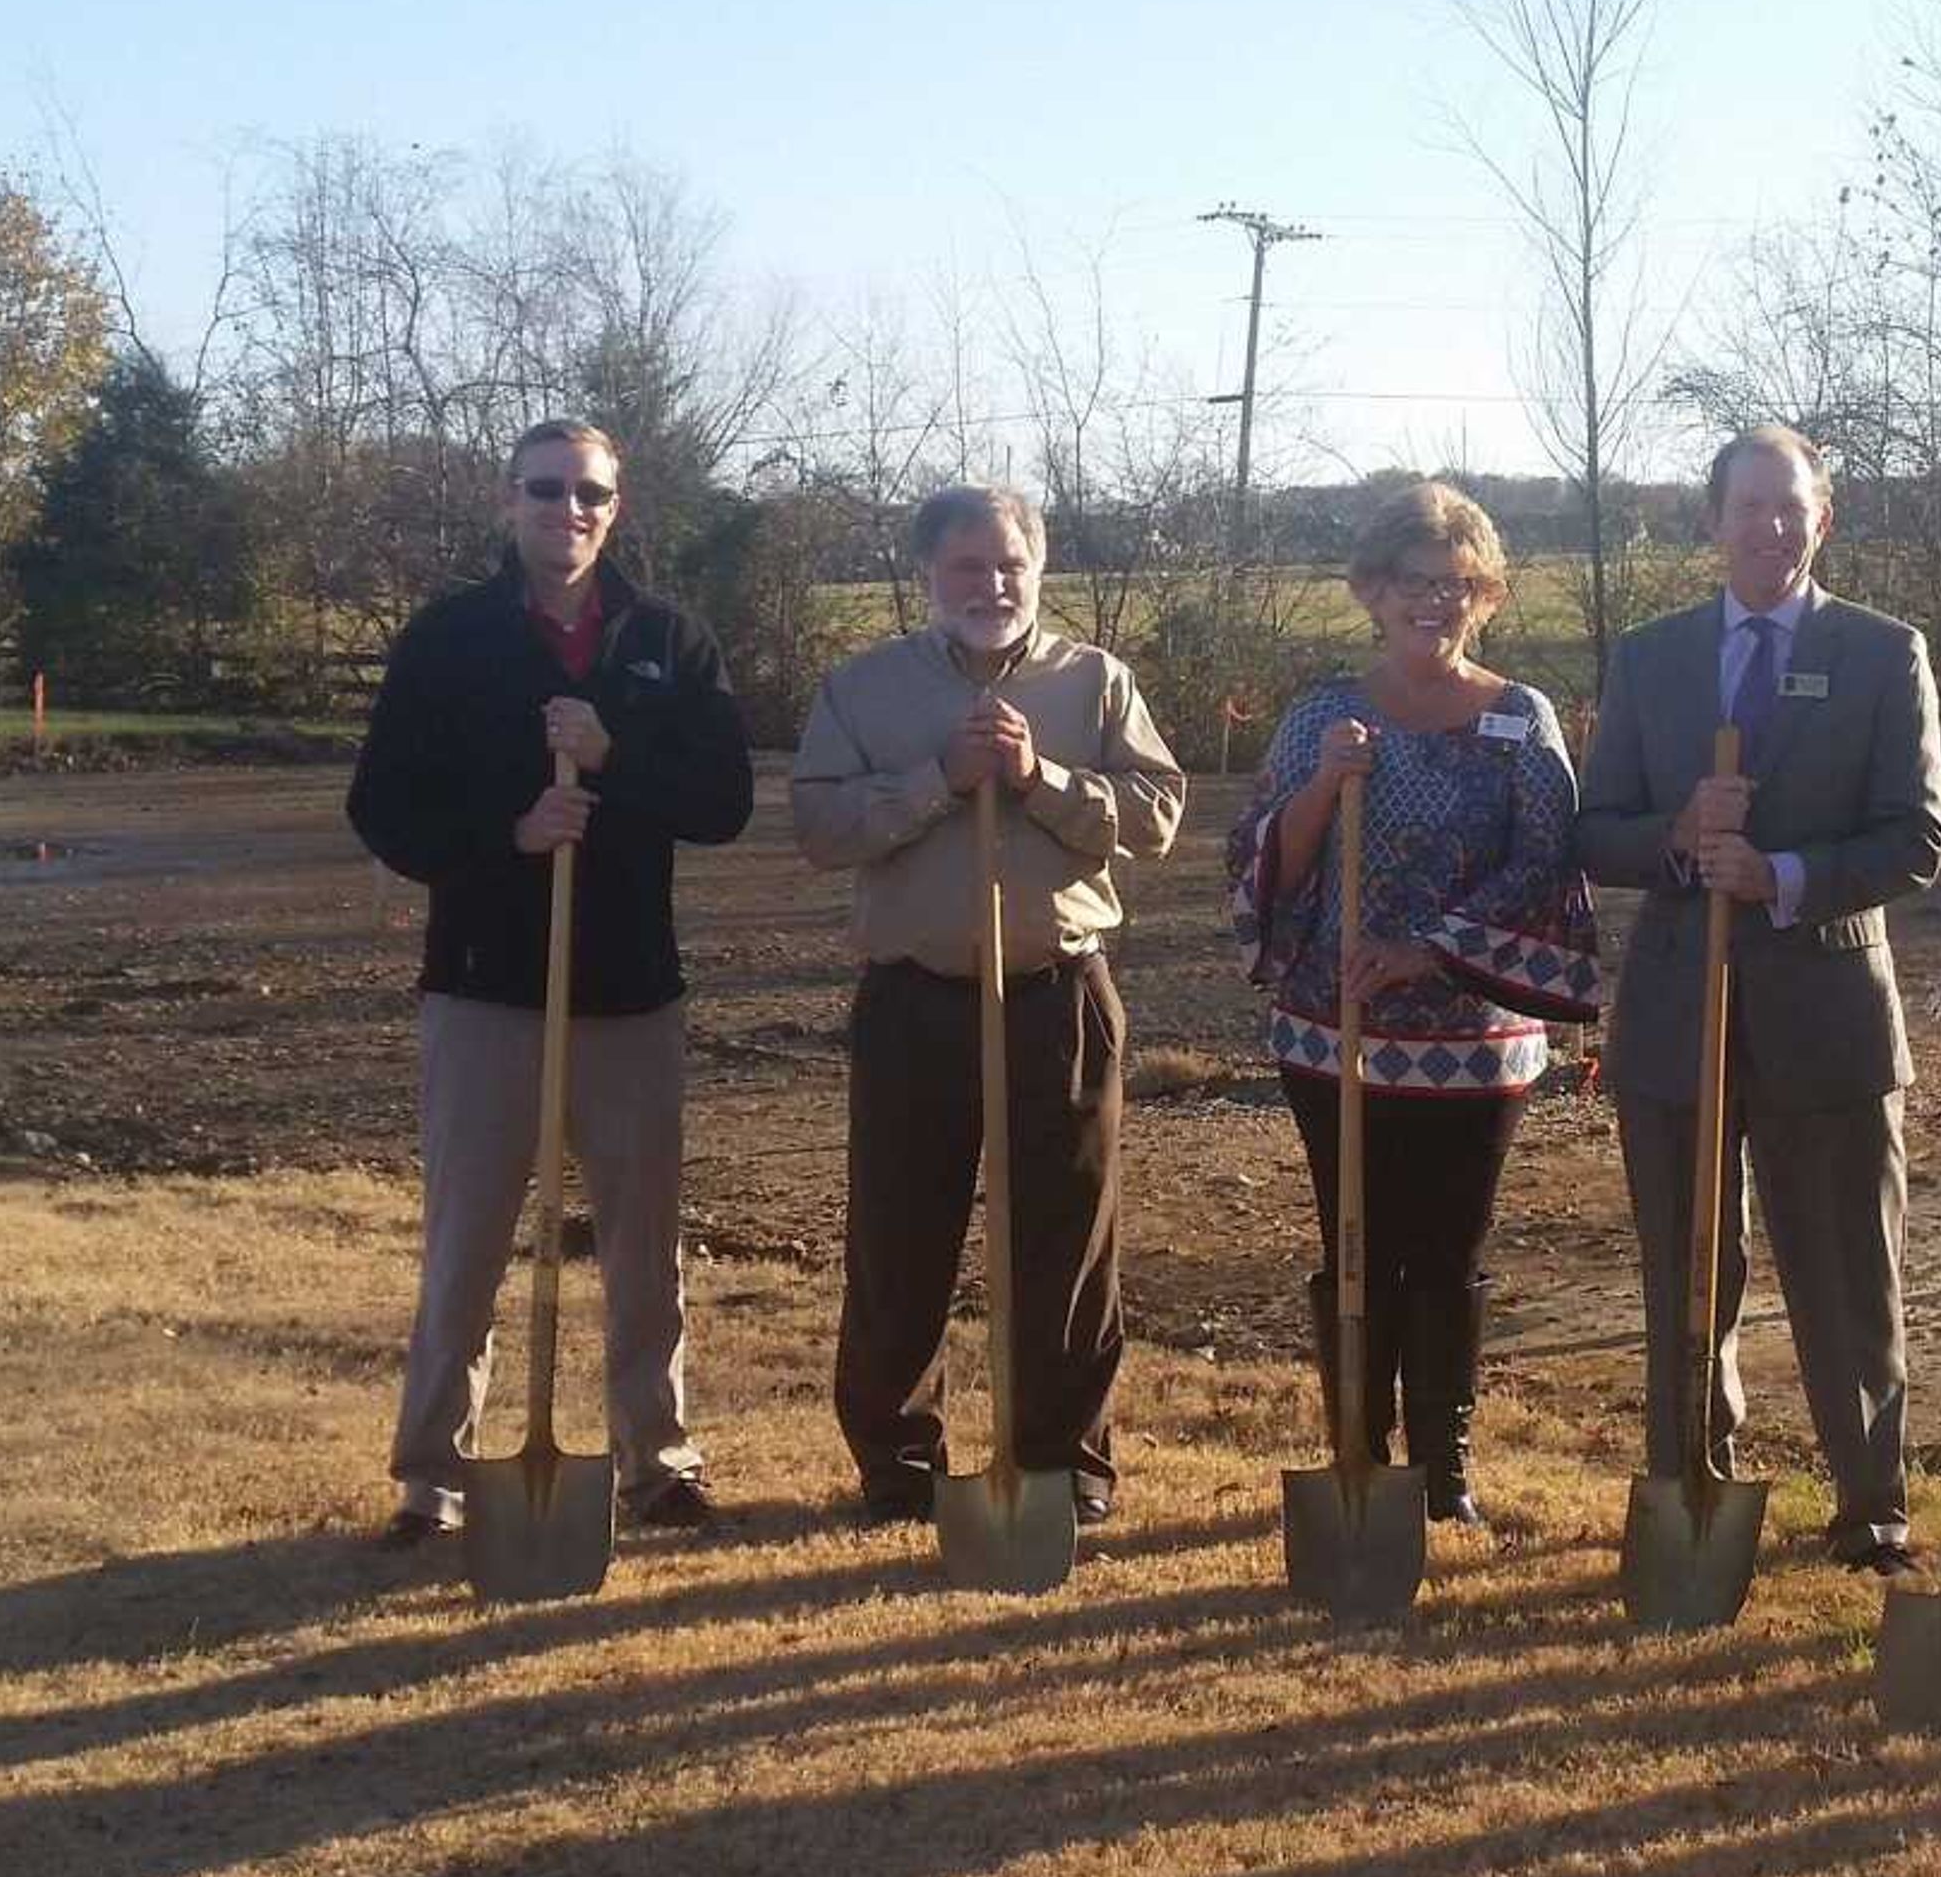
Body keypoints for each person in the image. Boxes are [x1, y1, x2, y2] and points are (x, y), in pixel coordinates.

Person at [349, 418, 757, 1546]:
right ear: (507, 501)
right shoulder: (448, 641)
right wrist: (511, 831)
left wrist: (616, 753)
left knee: (644, 1247)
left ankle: (658, 1465)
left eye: (589, 493)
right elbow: (381, 808)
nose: (566, 511)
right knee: (468, 1242)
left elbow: (723, 801)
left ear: (615, 507)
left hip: (630, 991)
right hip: (485, 990)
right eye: (545, 490)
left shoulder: (669, 641)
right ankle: (434, 1480)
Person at [1574, 424, 1941, 1577]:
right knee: (1689, 1265)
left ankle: (1871, 1506)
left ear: (1822, 519)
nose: (1770, 529)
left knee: (1846, 1269)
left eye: (1793, 508)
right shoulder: (1651, 659)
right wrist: (1680, 836)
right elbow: (1596, 831)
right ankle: (1691, 1479)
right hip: (1681, 1014)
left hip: (1827, 1013)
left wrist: (1785, 875)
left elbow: (1919, 838)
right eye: (1749, 508)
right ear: (1713, 522)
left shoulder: (1885, 653)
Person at [788, 486, 1186, 1528]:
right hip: (913, 1001)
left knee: (1067, 1244)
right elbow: (821, 828)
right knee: (898, 1239)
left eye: (1009, 564)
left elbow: (1153, 819)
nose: (991, 584)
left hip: (1058, 997)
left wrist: (1039, 776)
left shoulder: (1095, 682)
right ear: (929, 575)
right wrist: (937, 779)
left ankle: (1063, 1462)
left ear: (1039, 566)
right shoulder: (866, 690)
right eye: (967, 567)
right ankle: (899, 1463)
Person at [1225, 481, 1600, 1527]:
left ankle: (1443, 1471)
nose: (1434, 602)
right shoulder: (1320, 716)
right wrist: (1320, 788)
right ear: (1373, 591)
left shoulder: (1521, 720)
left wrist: (1423, 948)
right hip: (1333, 1035)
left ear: (1483, 595)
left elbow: (1546, 862)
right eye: (1412, 583)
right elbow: (1266, 863)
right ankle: (1359, 1455)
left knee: (1450, 1245)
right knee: (1353, 1239)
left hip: (1473, 1045)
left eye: (1456, 584)